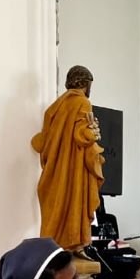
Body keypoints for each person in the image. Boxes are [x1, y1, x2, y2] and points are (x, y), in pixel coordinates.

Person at [31, 65, 105, 254]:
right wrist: (93, 133)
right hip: (73, 170)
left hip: (54, 170)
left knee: (56, 208)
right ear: (84, 83)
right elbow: (81, 136)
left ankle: (54, 249)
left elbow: (42, 143)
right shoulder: (82, 103)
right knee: (73, 205)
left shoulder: (54, 107)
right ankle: (74, 245)